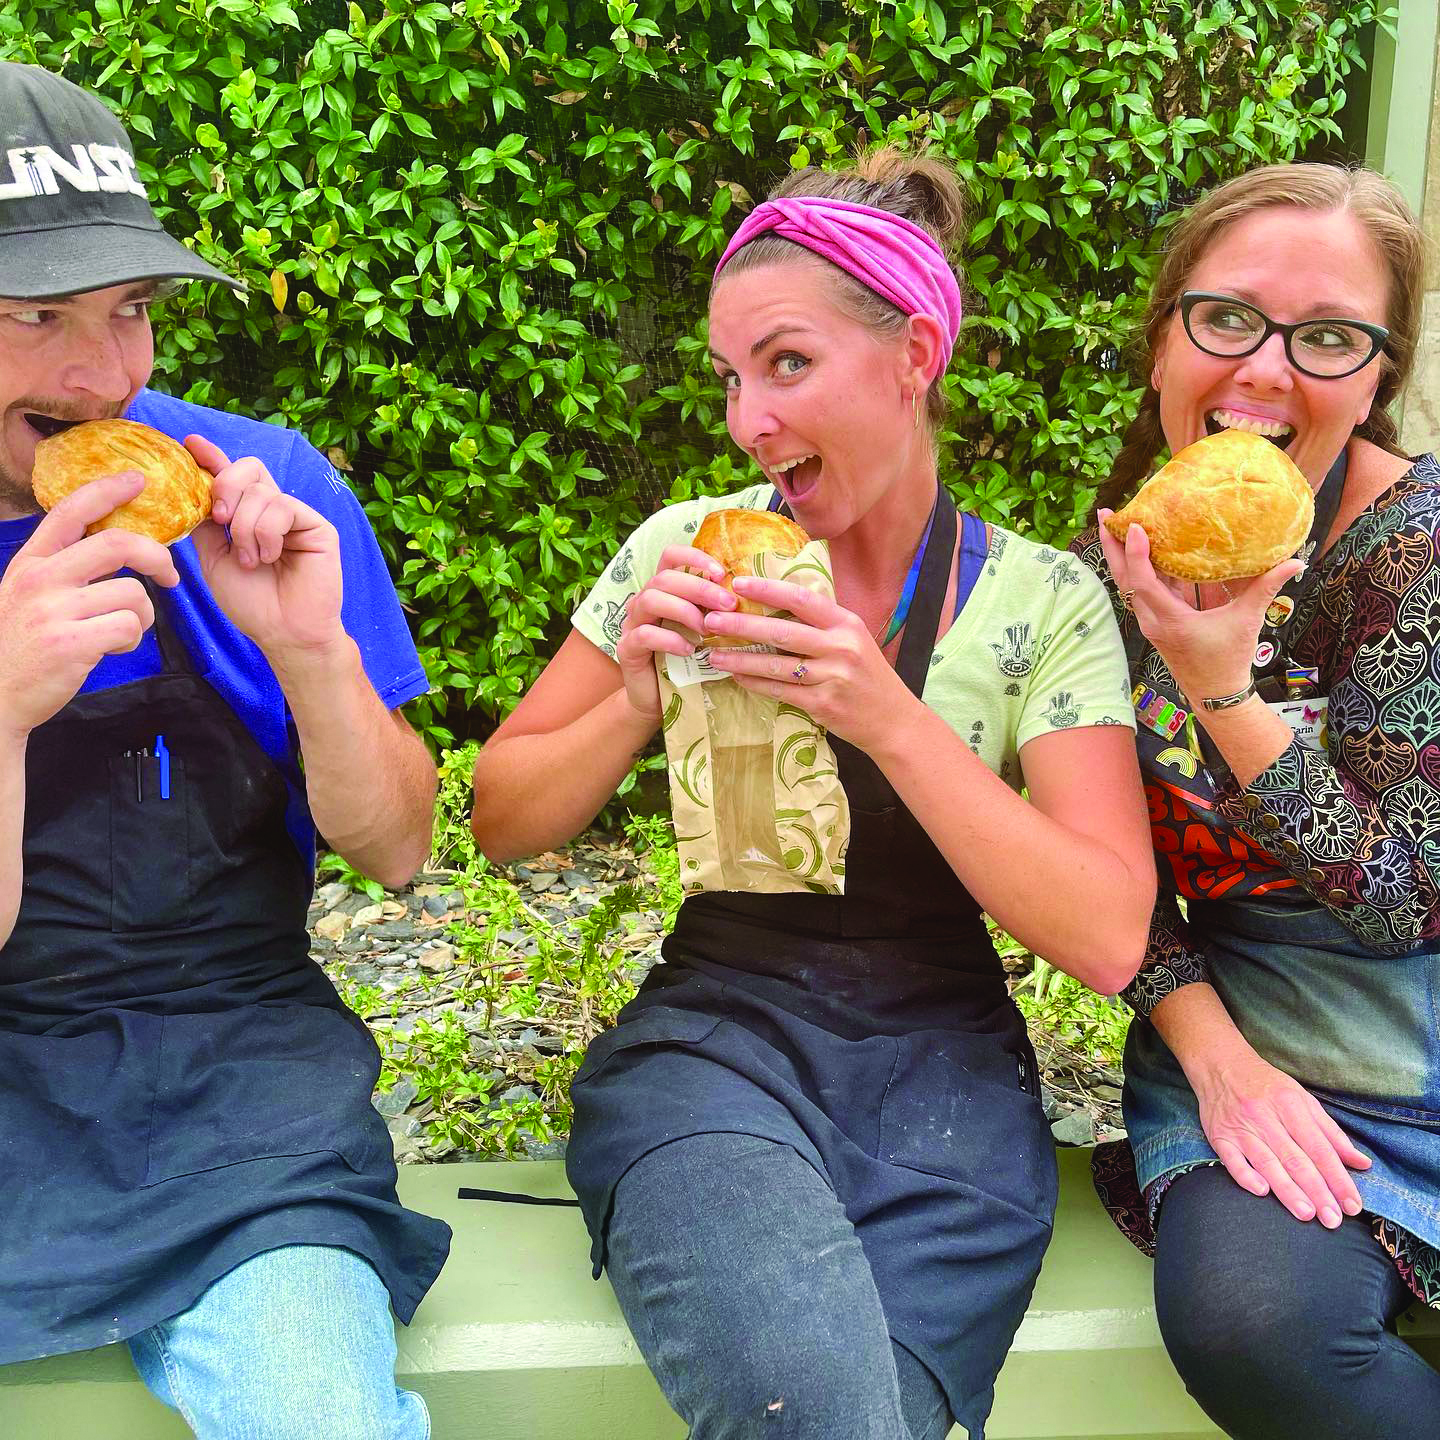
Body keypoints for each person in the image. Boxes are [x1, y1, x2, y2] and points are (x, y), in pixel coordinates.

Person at [471, 148, 1156, 1440]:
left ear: (914, 356)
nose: (747, 422)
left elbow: (1111, 933)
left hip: (950, 1094)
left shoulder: (1042, 605)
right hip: (714, 1052)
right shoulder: (682, 554)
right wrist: (634, 692)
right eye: (731, 378)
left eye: (786, 365)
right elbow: (502, 816)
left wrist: (887, 717)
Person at [0, 62, 450, 1436]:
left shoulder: (260, 489)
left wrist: (308, 650)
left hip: (241, 1099)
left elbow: (401, 848)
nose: (106, 375)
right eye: (36, 318)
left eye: (130, 309)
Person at [1071, 162, 1440, 1439]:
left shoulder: (1418, 551)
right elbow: (1104, 882)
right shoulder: (1110, 569)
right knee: (1258, 1331)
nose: (1265, 373)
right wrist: (1216, 1063)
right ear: (1164, 333)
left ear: (1376, 372)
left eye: (1329, 337)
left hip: (1424, 1019)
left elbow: (1404, 905)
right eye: (1226, 317)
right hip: (1257, 1039)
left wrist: (1222, 688)